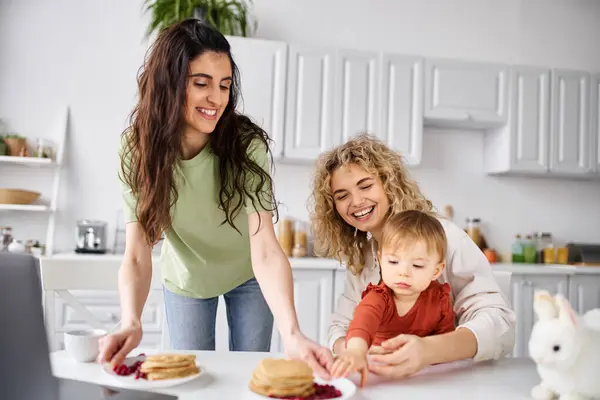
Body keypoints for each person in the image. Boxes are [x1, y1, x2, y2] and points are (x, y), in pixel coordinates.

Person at [97, 19, 332, 378]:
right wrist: (130, 319)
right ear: (169, 84)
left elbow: (267, 249)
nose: (216, 99)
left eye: (224, 85)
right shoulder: (137, 149)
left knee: (253, 375)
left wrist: (293, 333)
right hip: (187, 277)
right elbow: (137, 251)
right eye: (201, 83)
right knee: (189, 377)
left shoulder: (245, 144)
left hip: (249, 273)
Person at [310, 133, 516, 379]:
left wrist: (428, 351)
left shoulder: (445, 237)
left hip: (451, 379)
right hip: (385, 380)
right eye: (342, 195)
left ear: (388, 183)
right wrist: (358, 350)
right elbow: (339, 327)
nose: (356, 201)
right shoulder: (363, 254)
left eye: (366, 186)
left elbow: (500, 326)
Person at [330, 210, 455, 386]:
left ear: (436, 271)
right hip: (378, 374)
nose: (403, 272)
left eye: (417, 265)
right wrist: (356, 351)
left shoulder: (440, 300)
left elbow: (444, 346)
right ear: (381, 260)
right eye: (393, 262)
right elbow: (363, 322)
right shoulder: (379, 297)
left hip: (422, 378)